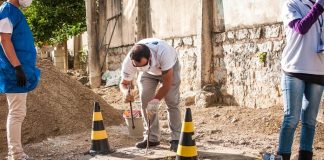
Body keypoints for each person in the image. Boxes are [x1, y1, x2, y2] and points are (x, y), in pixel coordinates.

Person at [278, 0, 324, 159]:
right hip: (294, 68)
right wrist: (319, 7)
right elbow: (301, 28)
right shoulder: (292, 5)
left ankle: (305, 156)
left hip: (318, 70)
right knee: (291, 118)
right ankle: (282, 156)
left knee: (310, 121)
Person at [119, 38, 181, 152]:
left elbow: (167, 85)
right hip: (148, 73)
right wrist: (126, 93)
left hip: (168, 69)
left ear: (150, 57)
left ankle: (176, 139)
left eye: (142, 64)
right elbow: (123, 83)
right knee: (145, 100)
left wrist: (156, 100)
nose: (139, 68)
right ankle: (152, 138)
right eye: (136, 66)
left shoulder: (163, 53)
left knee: (171, 101)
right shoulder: (130, 60)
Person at [0, 0, 41, 159]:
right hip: (13, 71)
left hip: (18, 69)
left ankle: (16, 153)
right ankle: (16, 154)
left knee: (18, 112)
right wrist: (17, 67)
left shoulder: (13, 11)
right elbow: (4, 39)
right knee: (16, 113)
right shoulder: (8, 9)